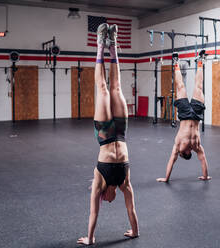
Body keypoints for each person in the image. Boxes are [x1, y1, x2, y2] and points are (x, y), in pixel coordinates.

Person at [77, 23, 139, 246]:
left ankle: (99, 46)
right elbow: (131, 208)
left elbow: (94, 213)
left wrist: (90, 239)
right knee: (117, 88)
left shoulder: (99, 181)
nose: (108, 201)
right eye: (108, 200)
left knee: (103, 88)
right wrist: (134, 231)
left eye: (106, 200)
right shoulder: (125, 184)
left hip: (104, 134)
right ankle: (112, 45)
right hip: (120, 133)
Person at [157, 50, 211, 183]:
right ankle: (200, 60)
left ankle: (176, 62)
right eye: (182, 154)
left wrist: (166, 178)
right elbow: (202, 160)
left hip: (187, 115)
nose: (180, 153)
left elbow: (172, 161)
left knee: (181, 87)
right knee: (198, 86)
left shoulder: (186, 146)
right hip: (194, 115)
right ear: (186, 153)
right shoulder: (195, 146)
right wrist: (205, 176)